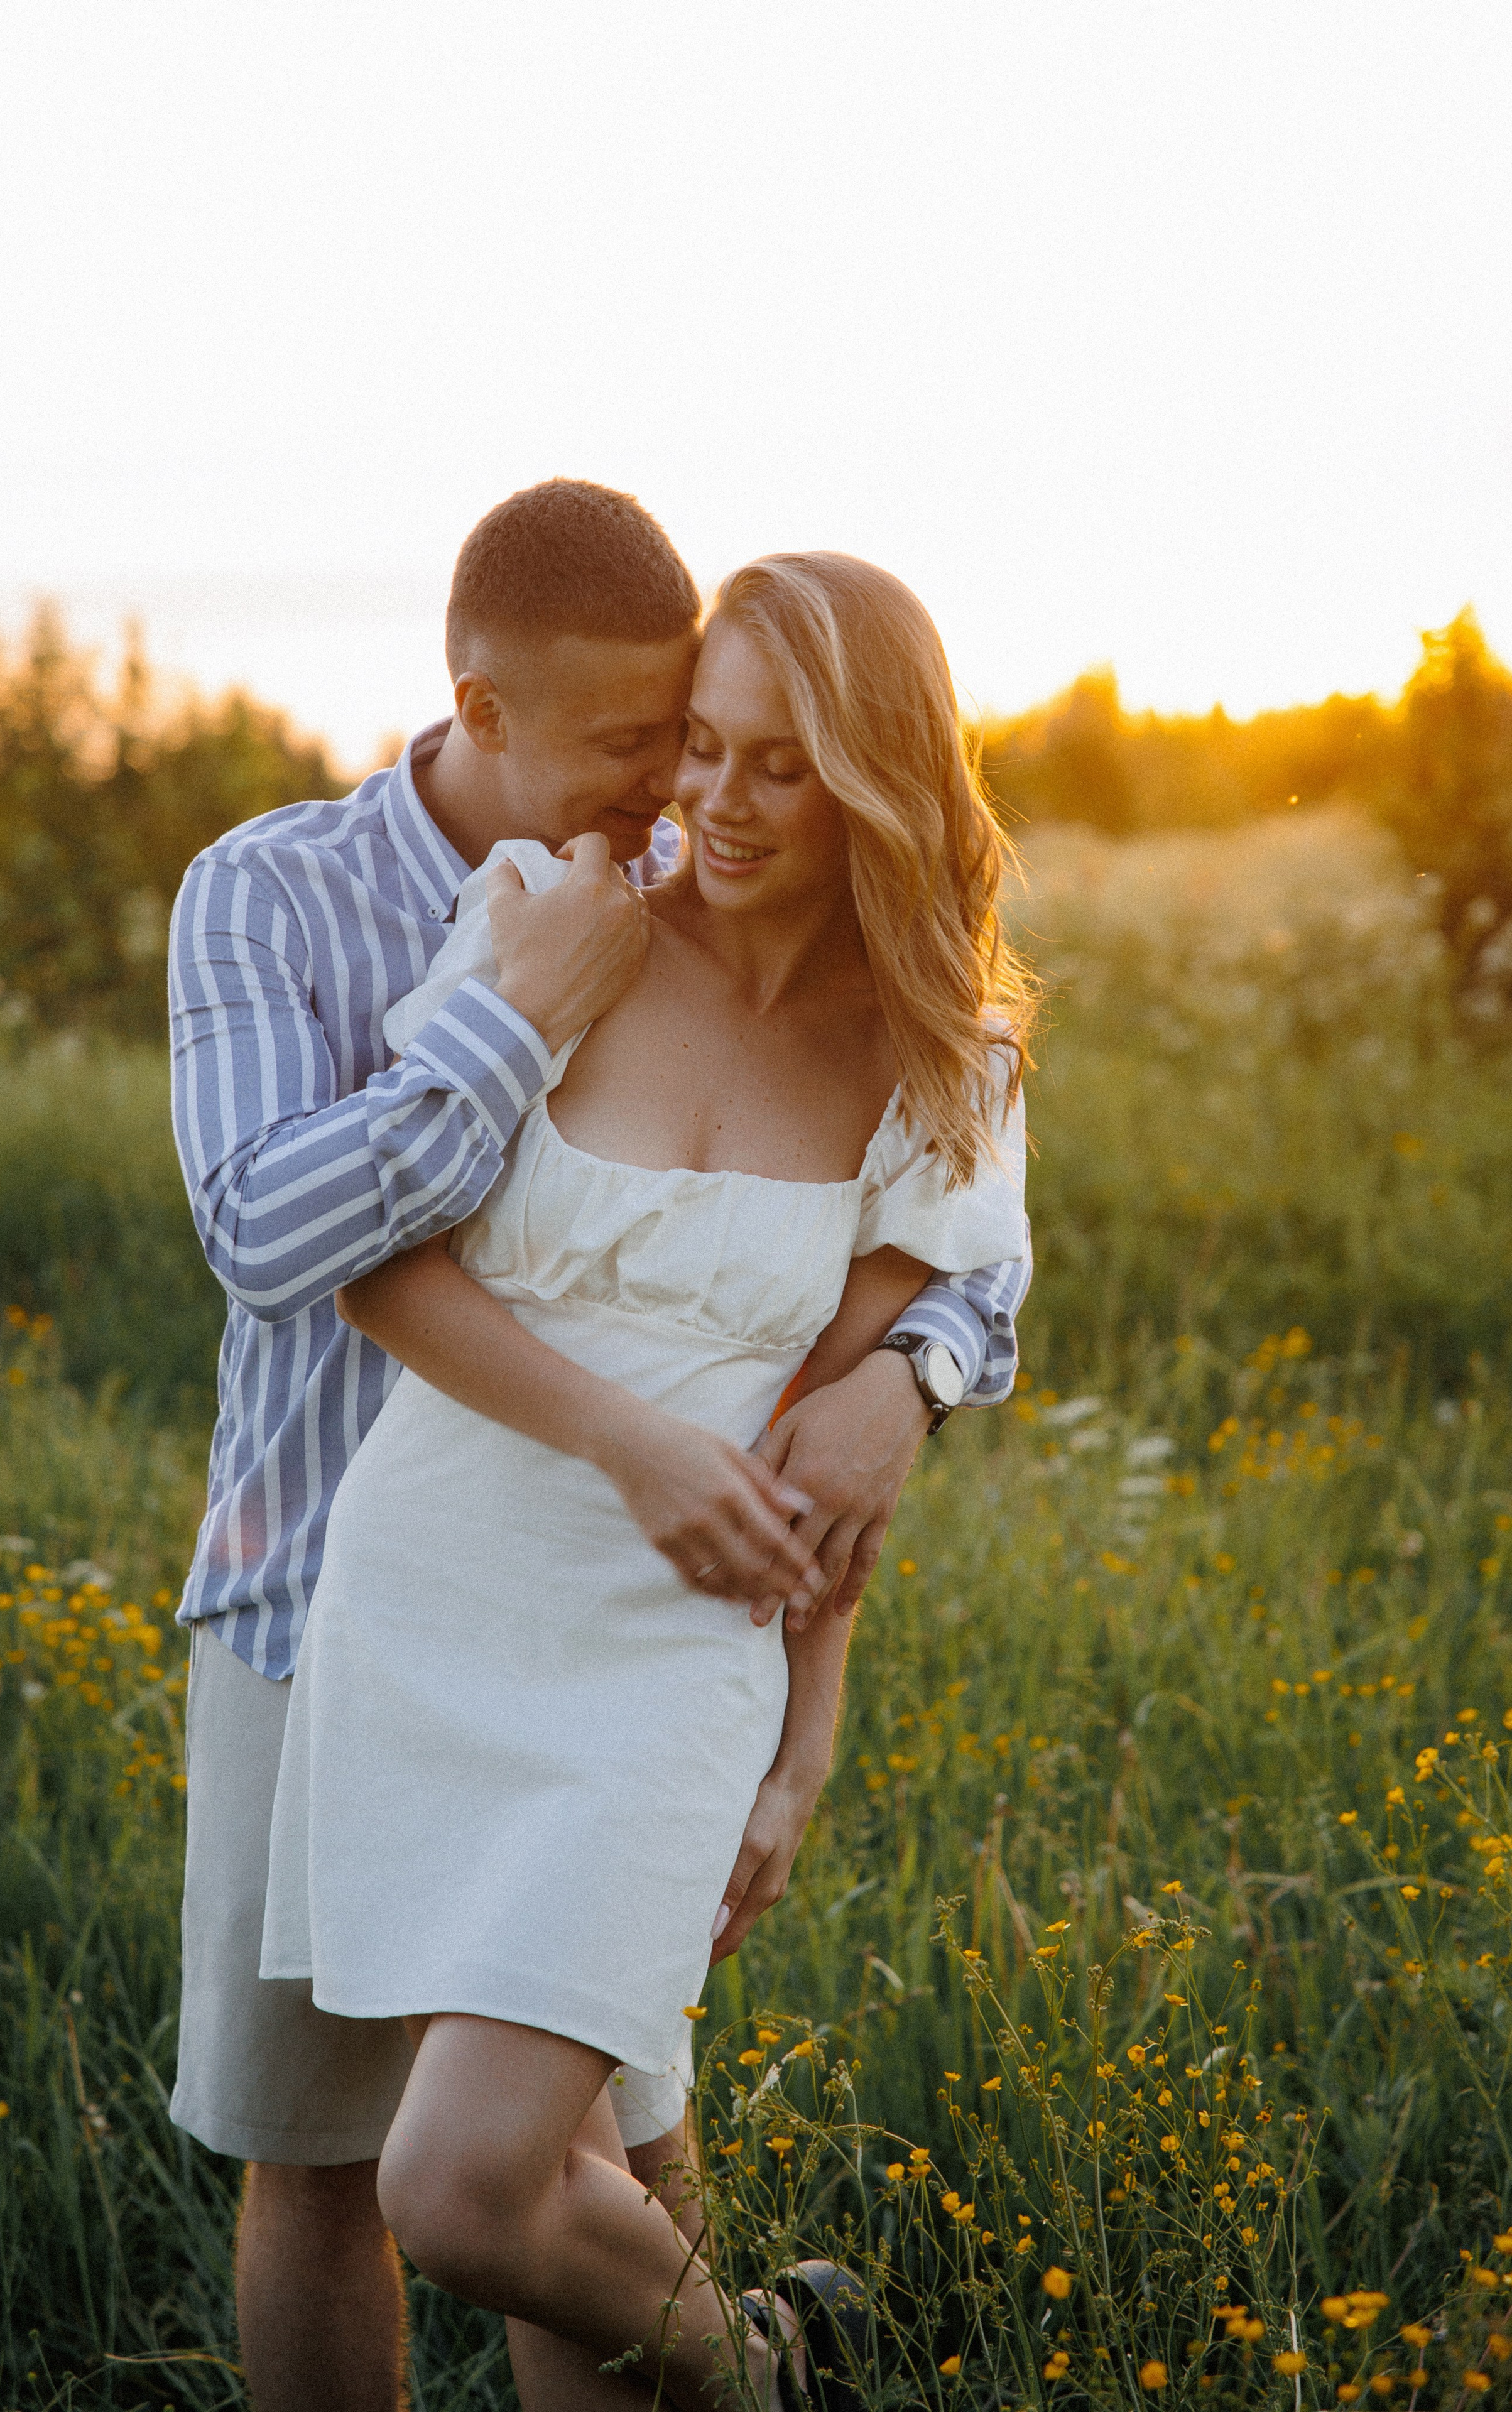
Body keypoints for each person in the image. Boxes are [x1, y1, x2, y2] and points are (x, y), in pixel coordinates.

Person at [166, 481, 1031, 2412]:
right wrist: (631, 1433)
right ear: (486, 710)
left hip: (664, 1648)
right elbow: (325, 1253)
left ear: (876, 783)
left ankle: (747, 2363)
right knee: (391, 2166)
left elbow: (846, 1423)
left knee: (527, 2172)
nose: (699, 801)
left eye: (757, 762)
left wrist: (808, 1726)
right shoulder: (510, 927)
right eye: (678, 750)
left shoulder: (936, 1060)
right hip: (382, 1592)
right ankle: (771, 2370)